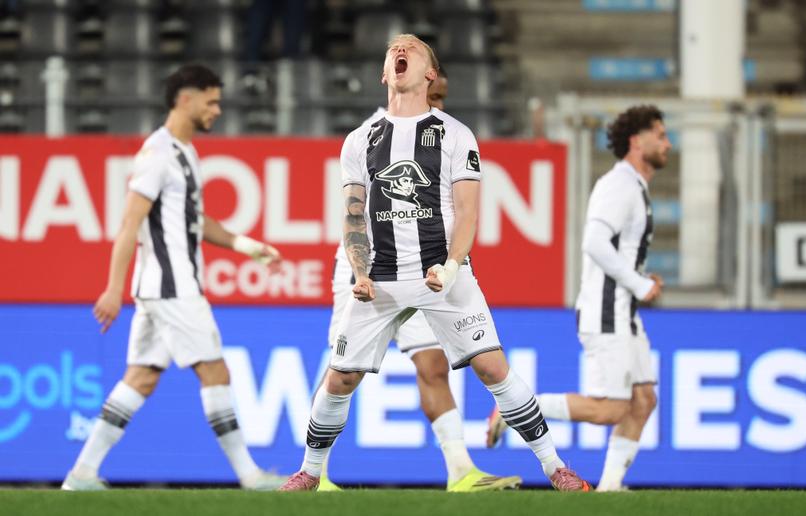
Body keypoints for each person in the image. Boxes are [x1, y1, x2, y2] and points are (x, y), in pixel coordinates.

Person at [279, 34, 590, 492]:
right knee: (340, 377)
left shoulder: (456, 135)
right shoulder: (359, 141)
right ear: (385, 73)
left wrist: (451, 264)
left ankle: (555, 467)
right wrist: (360, 274)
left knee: (492, 368)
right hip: (381, 278)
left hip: (441, 275)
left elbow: (467, 213)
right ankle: (309, 472)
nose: (400, 48)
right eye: (393, 49)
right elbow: (352, 216)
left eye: (413, 47)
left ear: (430, 73)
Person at [61, 64, 285, 491]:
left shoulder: (185, 152)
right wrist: (112, 288)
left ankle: (81, 473)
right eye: (212, 101)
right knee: (216, 372)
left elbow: (194, 220)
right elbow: (130, 223)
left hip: (161, 288)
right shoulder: (158, 154)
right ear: (186, 98)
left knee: (141, 377)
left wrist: (246, 246)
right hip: (173, 286)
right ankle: (250, 475)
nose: (217, 110)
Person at [319, 66, 520, 493]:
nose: (440, 105)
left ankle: (461, 472)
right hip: (369, 268)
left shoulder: (445, 136)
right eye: (437, 95)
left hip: (419, 269)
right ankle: (314, 473)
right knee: (343, 372)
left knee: (432, 364)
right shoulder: (370, 134)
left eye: (444, 97)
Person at [486, 105, 670, 492]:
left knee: (644, 398)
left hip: (624, 311)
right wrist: (637, 284)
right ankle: (515, 409)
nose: (667, 144)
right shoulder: (619, 185)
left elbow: (616, 249)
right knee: (612, 408)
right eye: (660, 135)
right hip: (607, 310)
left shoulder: (634, 186)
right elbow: (595, 243)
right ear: (637, 142)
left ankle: (610, 487)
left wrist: (639, 280)